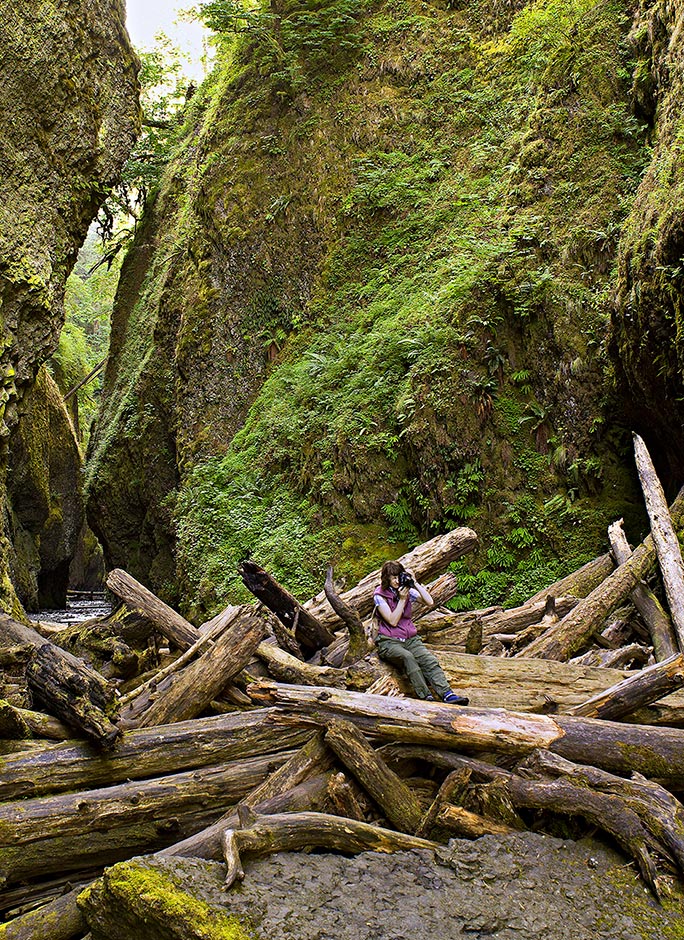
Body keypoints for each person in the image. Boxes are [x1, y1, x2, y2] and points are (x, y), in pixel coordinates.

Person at [373, 560, 469, 704]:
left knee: (429, 660)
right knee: (408, 657)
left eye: (398, 576)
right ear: (386, 578)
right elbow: (392, 620)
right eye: (393, 577)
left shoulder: (406, 590)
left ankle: (447, 694)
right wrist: (402, 600)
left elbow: (429, 601)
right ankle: (425, 695)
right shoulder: (380, 595)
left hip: (410, 639)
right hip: (389, 641)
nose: (396, 581)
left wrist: (415, 583)